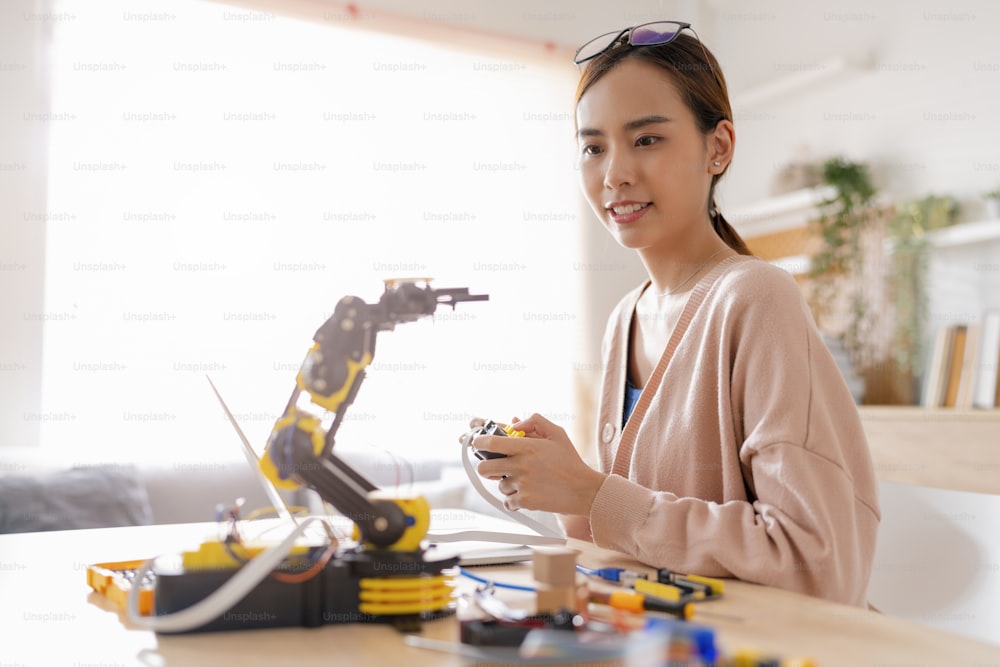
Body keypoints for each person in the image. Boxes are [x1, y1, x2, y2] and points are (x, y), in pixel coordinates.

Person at [468, 21, 880, 608]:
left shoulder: (756, 299)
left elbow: (816, 562)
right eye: (593, 147)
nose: (614, 174)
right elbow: (629, 543)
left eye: (646, 139)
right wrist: (567, 485)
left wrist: (592, 490)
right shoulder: (626, 317)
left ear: (719, 147)